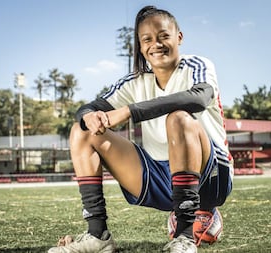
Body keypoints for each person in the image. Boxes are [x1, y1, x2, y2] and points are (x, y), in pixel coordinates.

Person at [48, 5, 233, 253]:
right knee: (82, 129)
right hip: (158, 176)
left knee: (178, 118)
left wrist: (128, 112)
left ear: (179, 37)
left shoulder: (198, 65)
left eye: (164, 36)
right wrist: (91, 117)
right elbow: (86, 108)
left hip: (210, 177)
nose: (156, 44)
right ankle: (98, 236)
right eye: (147, 39)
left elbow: (199, 98)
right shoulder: (134, 82)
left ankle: (185, 236)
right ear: (140, 45)